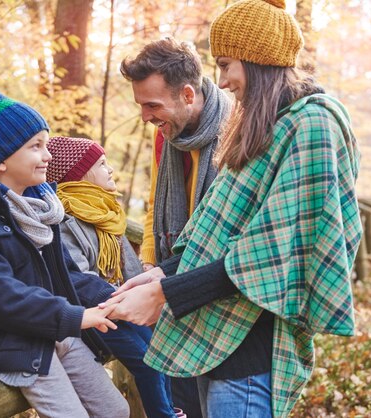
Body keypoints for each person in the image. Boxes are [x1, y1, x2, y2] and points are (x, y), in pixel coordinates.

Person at [103, 1, 363, 417]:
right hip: (213, 338)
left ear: (259, 60)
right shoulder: (260, 127)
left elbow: (270, 252)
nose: (221, 81)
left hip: (250, 354)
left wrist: (165, 292)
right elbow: (214, 235)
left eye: (226, 65)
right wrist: (158, 274)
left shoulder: (312, 125)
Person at [0, 90, 129, 418]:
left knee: (116, 410)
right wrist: (74, 317)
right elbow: (0, 297)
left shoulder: (42, 209)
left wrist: (117, 297)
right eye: (35, 146)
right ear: (1, 158)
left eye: (46, 144)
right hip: (9, 341)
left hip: (49, 328)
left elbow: (66, 276)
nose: (48, 156)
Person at [120, 37, 232, 418]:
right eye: (141, 106)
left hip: (219, 291)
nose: (146, 116)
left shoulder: (237, 129)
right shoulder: (165, 136)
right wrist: (151, 266)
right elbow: (156, 208)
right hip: (175, 283)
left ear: (187, 94)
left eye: (152, 105)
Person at [46, 136, 178, 418]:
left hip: (121, 304)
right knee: (146, 362)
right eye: (102, 164)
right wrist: (121, 299)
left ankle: (170, 409)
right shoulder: (65, 219)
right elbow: (78, 278)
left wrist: (143, 284)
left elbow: (126, 264)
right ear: (80, 176)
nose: (111, 170)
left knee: (161, 350)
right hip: (96, 313)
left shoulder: (106, 212)